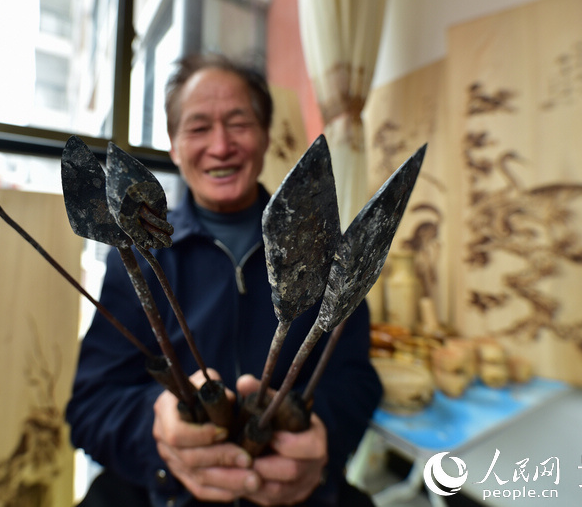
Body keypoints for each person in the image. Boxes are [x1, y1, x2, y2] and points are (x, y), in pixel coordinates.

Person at [66, 53, 382, 507]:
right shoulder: (138, 259)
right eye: (197, 128)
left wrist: (320, 441)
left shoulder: (325, 253)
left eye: (238, 123)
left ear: (265, 136)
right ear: (174, 145)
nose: (220, 146)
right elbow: (90, 408)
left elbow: (356, 381)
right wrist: (156, 432)